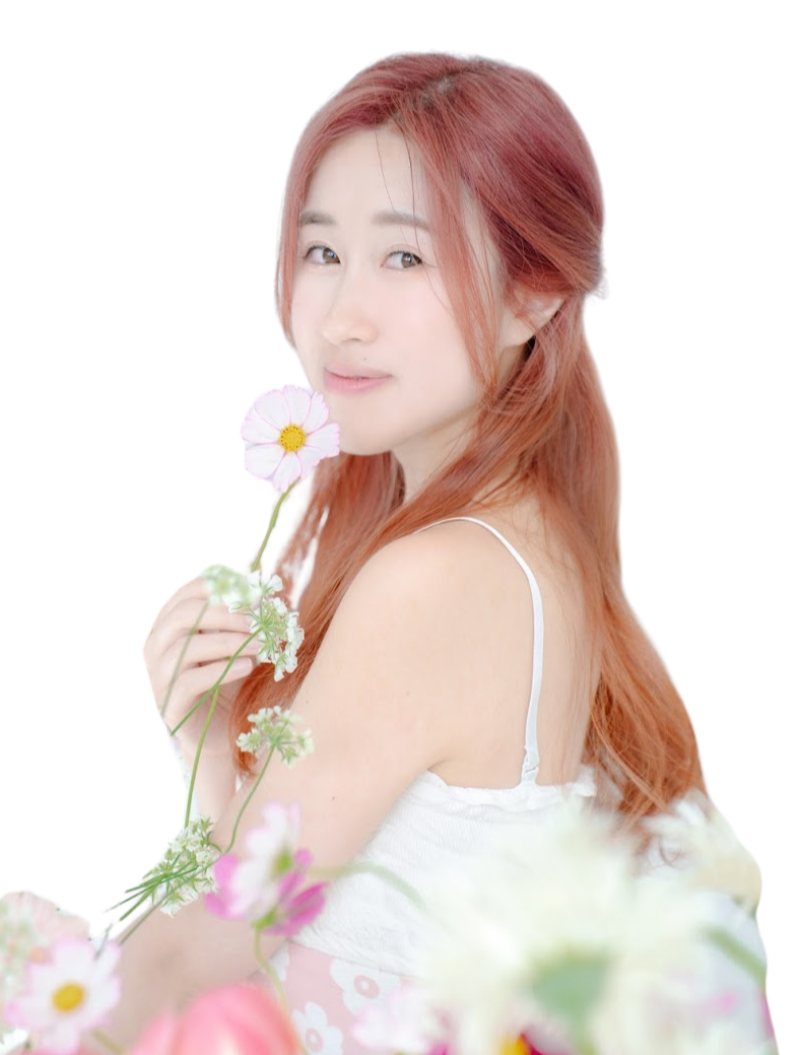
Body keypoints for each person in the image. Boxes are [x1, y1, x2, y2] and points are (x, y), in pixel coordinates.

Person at [139, 50, 772, 1055]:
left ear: (534, 293)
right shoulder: (529, 536)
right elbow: (273, 919)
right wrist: (210, 742)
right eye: (320, 250)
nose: (340, 315)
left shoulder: (435, 576)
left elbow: (215, 945)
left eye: (404, 257)